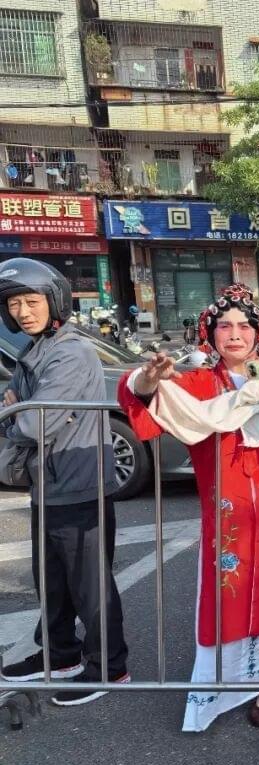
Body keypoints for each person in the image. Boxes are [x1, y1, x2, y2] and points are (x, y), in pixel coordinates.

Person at [117, 283, 259, 730]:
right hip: (230, 505)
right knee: (242, 588)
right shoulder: (198, 383)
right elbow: (144, 398)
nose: (235, 334)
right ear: (211, 333)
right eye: (225, 326)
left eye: (245, 325)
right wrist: (148, 378)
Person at [0, 258, 130, 706]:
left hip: (79, 483)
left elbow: (35, 423)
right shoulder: (35, 350)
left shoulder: (70, 352)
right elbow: (16, 407)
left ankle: (110, 668)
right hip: (48, 483)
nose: (22, 311)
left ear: (53, 300)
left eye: (30, 301)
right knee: (51, 580)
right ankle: (61, 655)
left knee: (89, 586)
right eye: (14, 303)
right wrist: (17, 409)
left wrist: (15, 413)